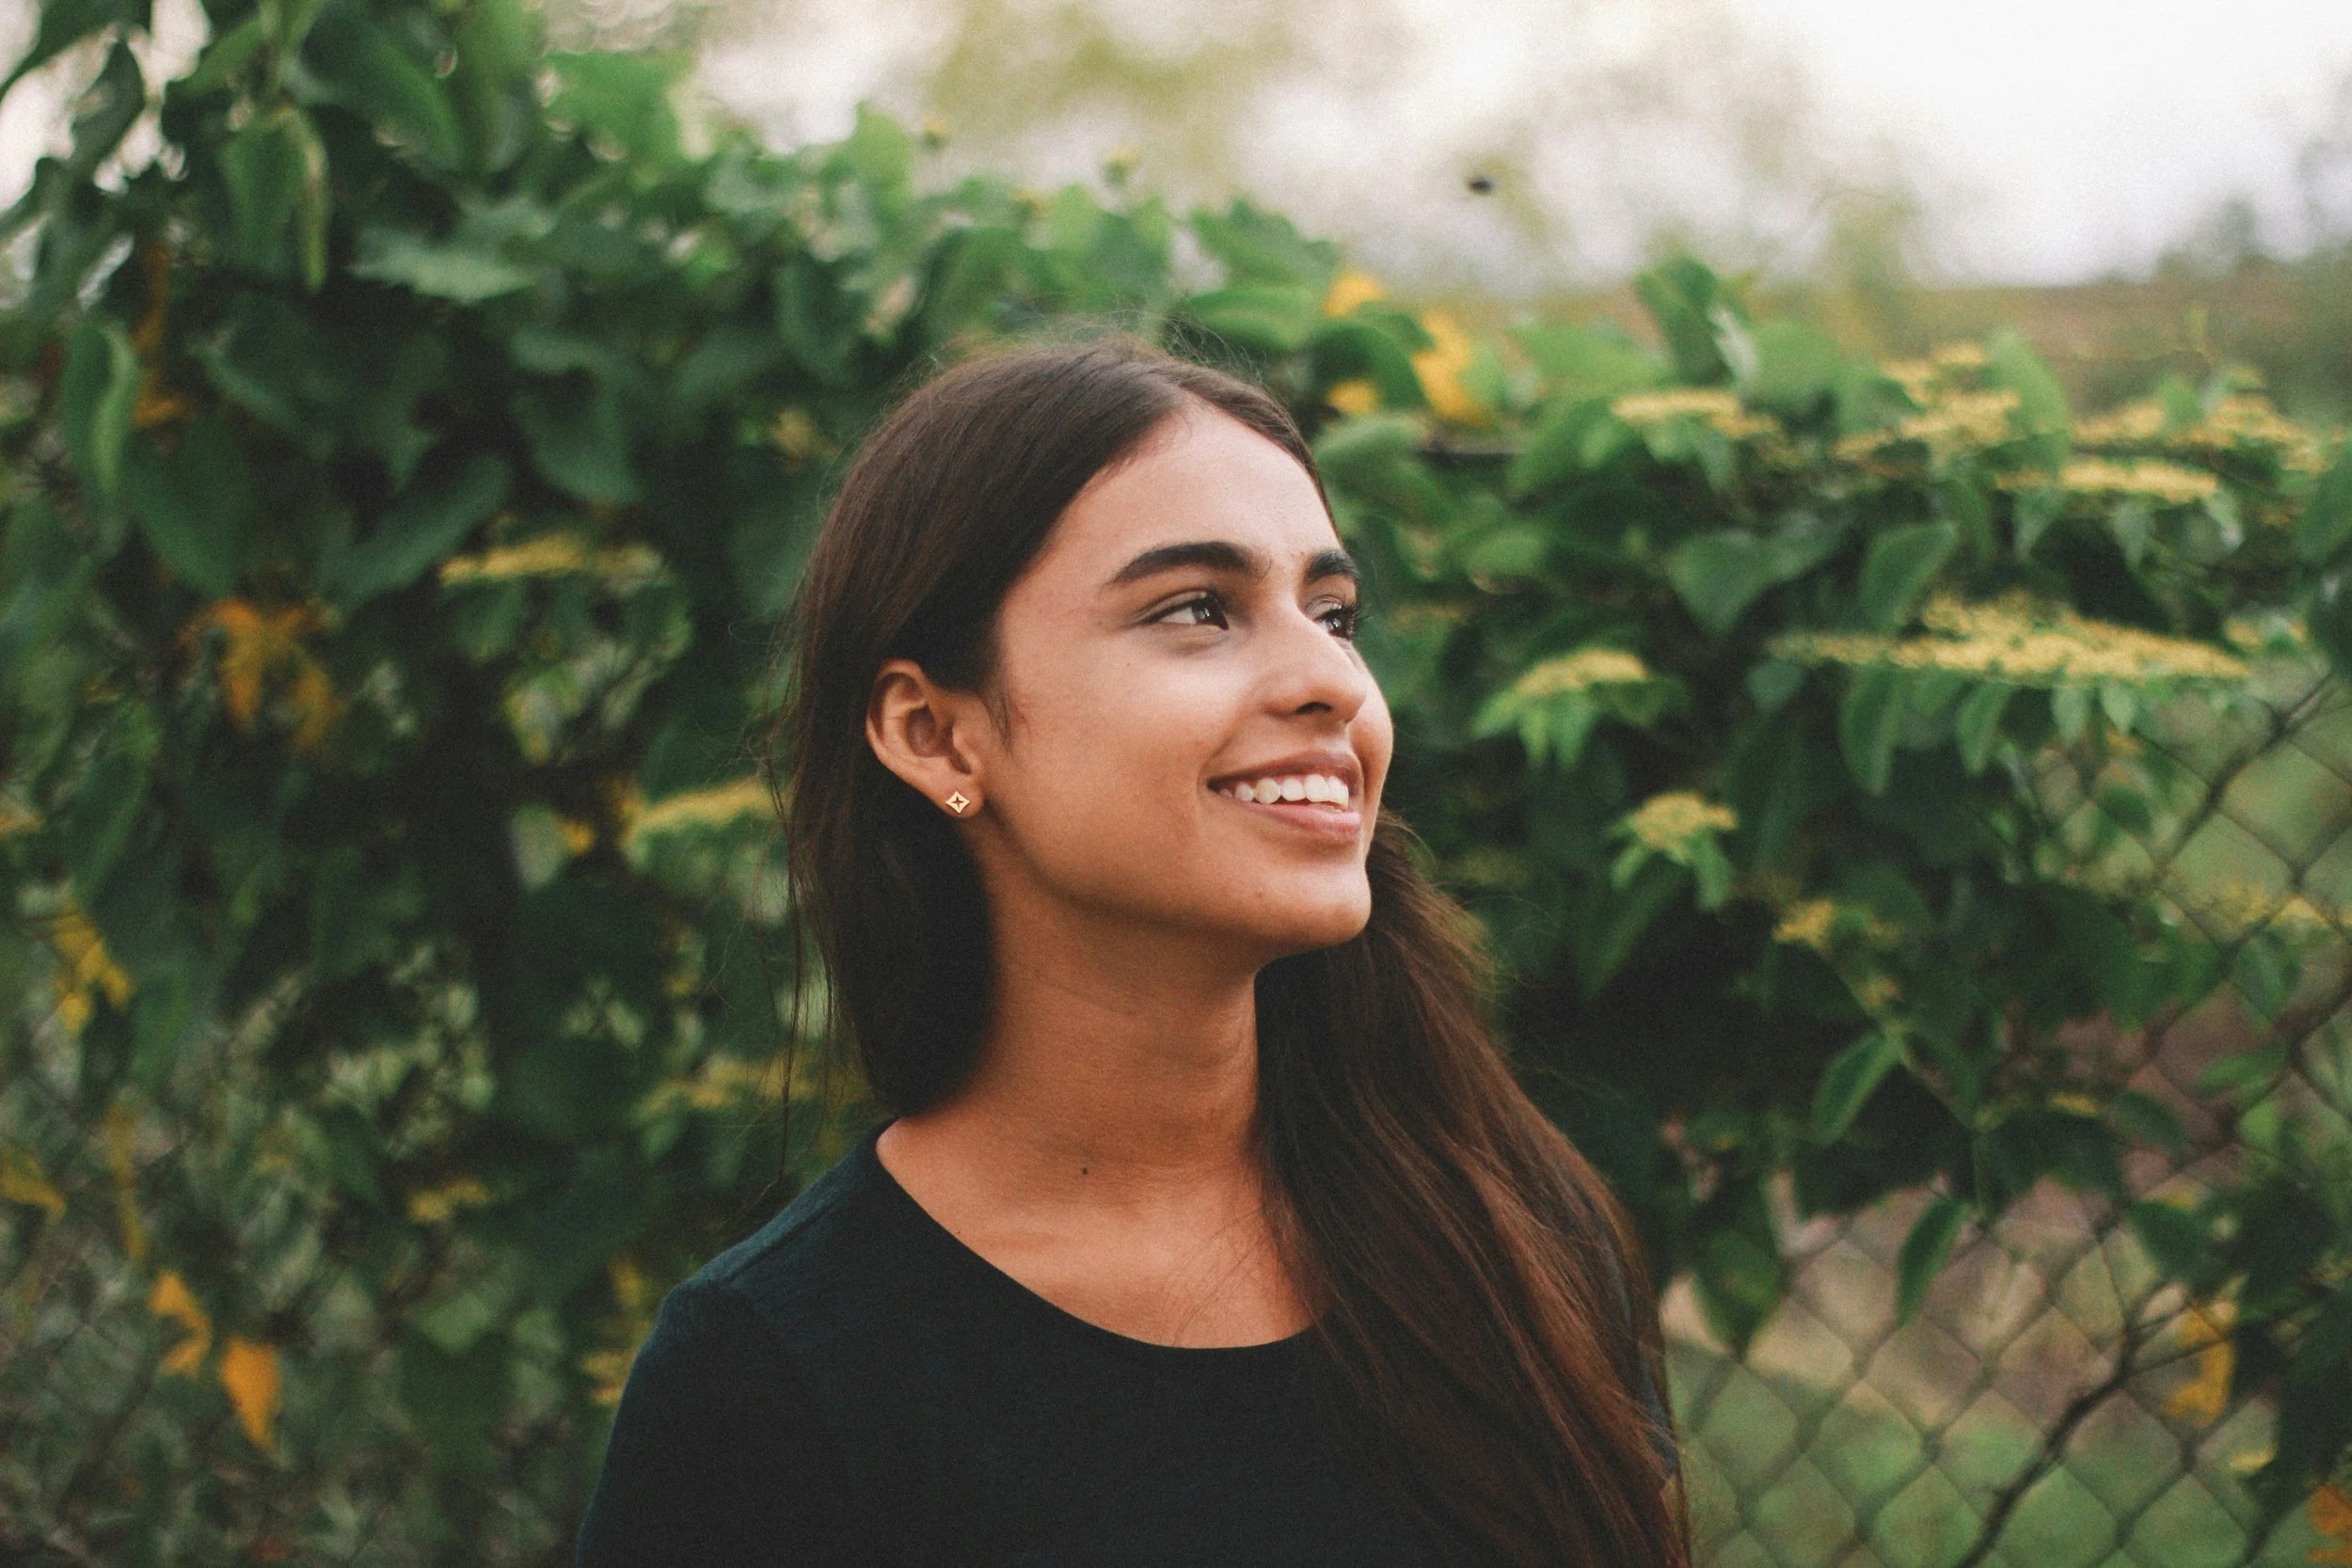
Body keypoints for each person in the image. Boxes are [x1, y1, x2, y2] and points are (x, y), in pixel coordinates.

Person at [574, 340, 1688, 1567]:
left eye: (1334, 613)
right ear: (936, 733)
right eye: (1197, 608)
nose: (1328, 679)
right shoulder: (775, 1374)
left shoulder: (1510, 1252)